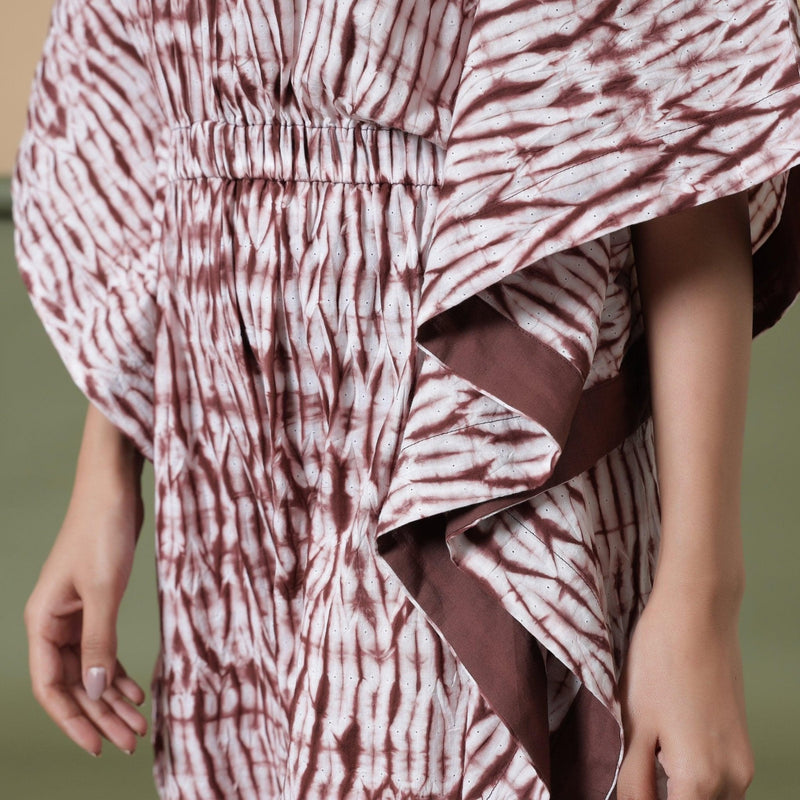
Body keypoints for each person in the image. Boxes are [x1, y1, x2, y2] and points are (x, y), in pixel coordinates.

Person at [13, 1, 800, 799]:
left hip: (450, 413)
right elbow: (143, 128)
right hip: (220, 466)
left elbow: (686, 120)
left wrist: (702, 596)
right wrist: (105, 477)